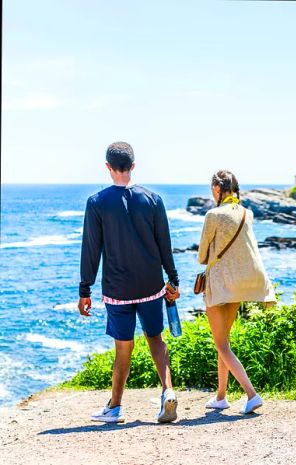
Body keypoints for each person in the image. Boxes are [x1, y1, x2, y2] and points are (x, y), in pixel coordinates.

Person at [77, 141, 181, 424]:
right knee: (156, 340)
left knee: (123, 348)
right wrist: (173, 280)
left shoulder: (97, 202)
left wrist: (84, 290)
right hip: (151, 285)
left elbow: (91, 250)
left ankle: (115, 407)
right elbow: (165, 245)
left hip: (118, 290)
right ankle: (168, 391)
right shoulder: (154, 199)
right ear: (133, 166)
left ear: (108, 168)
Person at [197, 170, 276, 414]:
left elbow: (202, 256)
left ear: (218, 188)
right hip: (241, 284)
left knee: (220, 343)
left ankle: (251, 394)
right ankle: (221, 396)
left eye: (213, 188)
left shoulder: (213, 215)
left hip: (220, 284)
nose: (212, 192)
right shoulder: (246, 213)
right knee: (225, 342)